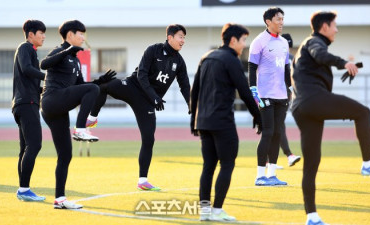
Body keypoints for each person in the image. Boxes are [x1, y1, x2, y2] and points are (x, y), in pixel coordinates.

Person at [291, 11, 370, 225]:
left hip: (302, 108)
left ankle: (312, 217)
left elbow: (314, 63)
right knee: (363, 112)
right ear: (324, 26)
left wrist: (343, 66)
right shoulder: (314, 42)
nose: (337, 29)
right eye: (335, 25)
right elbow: (320, 55)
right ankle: (368, 163)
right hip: (313, 100)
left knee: (311, 164)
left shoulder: (306, 47)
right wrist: (344, 63)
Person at [86, 24, 190, 191]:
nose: (183, 40)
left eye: (184, 37)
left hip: (147, 102)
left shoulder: (179, 62)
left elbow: (185, 85)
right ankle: (92, 118)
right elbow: (141, 75)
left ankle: (142, 180)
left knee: (149, 139)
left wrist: (191, 105)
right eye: (180, 37)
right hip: (133, 87)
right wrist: (155, 96)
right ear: (170, 37)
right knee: (104, 85)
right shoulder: (153, 50)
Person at [190, 23, 262, 222]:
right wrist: (258, 116)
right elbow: (245, 91)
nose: (244, 45)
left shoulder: (206, 57)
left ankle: (204, 212)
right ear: (233, 40)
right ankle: (216, 211)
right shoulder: (231, 59)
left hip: (203, 121)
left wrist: (193, 119)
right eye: (243, 40)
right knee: (227, 164)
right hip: (222, 122)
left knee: (208, 166)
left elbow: (194, 90)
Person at [40, 20, 114, 209]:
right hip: (51, 100)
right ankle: (80, 129)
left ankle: (60, 199)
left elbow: (82, 87)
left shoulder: (76, 58)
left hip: (58, 108)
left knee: (65, 155)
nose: (83, 37)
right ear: (70, 35)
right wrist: (67, 51)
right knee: (90, 90)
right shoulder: (60, 50)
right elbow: (43, 64)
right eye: (80, 34)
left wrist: (100, 82)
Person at [248, 7, 291, 186]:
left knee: (277, 133)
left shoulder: (284, 42)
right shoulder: (259, 42)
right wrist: (254, 91)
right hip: (265, 94)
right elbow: (251, 68)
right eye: (278, 19)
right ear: (268, 21)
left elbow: (287, 68)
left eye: (282, 19)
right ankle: (260, 176)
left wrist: (290, 88)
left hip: (282, 95)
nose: (281, 22)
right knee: (267, 133)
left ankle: (272, 174)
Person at [12, 19, 46, 202]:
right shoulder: (25, 48)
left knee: (25, 148)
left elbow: (31, 80)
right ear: (31, 34)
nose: (44, 36)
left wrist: (46, 89)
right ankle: (24, 190)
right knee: (35, 145)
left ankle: (23, 189)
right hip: (27, 103)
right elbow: (27, 69)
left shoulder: (30, 51)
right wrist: (48, 76)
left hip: (24, 102)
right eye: (41, 33)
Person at [278, 33, 301, 168]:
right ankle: (288, 155)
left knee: (276, 127)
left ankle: (270, 161)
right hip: (272, 96)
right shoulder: (272, 59)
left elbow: (296, 78)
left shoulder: (292, 60)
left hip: (284, 97)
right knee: (274, 127)